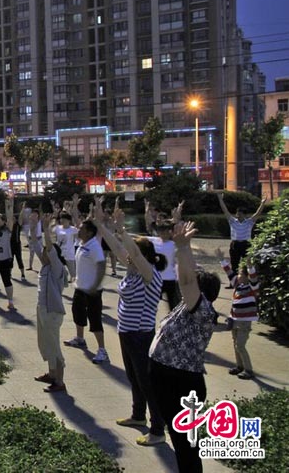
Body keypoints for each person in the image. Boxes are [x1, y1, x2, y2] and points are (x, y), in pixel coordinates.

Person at [91, 199, 166, 446]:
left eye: (134, 254)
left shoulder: (149, 274)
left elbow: (130, 251)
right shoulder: (133, 271)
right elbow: (116, 247)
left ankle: (157, 429)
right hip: (126, 332)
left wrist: (122, 230)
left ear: (142, 256)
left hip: (141, 335)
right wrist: (101, 225)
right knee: (134, 378)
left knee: (147, 381)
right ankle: (137, 415)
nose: (127, 257)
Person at [149, 221, 221, 473]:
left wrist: (183, 246)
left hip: (180, 383)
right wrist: (182, 251)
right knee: (182, 441)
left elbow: (188, 281)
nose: (183, 281)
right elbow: (188, 274)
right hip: (169, 378)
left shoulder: (201, 310)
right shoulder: (188, 307)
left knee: (185, 443)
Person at [64, 219, 109, 364]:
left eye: (82, 229)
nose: (79, 231)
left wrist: (95, 286)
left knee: (94, 319)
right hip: (80, 287)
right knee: (77, 313)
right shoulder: (82, 244)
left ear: (89, 232)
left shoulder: (94, 246)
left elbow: (102, 266)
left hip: (92, 291)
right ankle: (80, 339)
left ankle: (102, 350)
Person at [34, 214, 68, 392]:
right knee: (45, 343)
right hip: (42, 309)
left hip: (53, 312)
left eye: (47, 252)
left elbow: (48, 249)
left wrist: (46, 229)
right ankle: (51, 373)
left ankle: (60, 382)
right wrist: (33, 226)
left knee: (53, 345)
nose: (44, 254)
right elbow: (35, 244)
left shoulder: (57, 268)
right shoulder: (45, 266)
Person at [217, 193, 265, 276]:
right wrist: (220, 199)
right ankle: (234, 282)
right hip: (235, 244)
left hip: (246, 244)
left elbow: (257, 213)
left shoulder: (249, 222)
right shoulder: (232, 221)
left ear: (244, 215)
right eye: (237, 213)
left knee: (248, 263)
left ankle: (247, 280)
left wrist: (262, 203)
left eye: (240, 213)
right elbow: (225, 210)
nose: (238, 214)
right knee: (234, 263)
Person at [229, 263, 259, 380]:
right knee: (235, 344)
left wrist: (251, 268)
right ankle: (239, 366)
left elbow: (254, 279)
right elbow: (230, 275)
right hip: (234, 320)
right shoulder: (238, 286)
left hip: (245, 322)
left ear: (247, 277)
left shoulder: (252, 287)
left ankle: (249, 370)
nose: (238, 276)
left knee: (240, 345)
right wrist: (223, 261)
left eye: (241, 274)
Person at [149, 220, 179, 311]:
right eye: (162, 231)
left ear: (170, 232)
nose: (164, 233)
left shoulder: (174, 244)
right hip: (157, 279)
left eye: (166, 231)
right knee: (152, 305)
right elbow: (138, 238)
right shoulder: (154, 241)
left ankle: (174, 323)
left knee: (173, 306)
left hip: (170, 279)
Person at [54, 212, 78, 282]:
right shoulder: (57, 228)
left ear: (69, 220)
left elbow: (79, 238)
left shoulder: (73, 229)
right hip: (59, 253)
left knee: (73, 273)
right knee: (57, 272)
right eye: (61, 219)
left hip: (69, 253)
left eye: (64, 219)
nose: (62, 220)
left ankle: (77, 288)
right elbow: (52, 236)